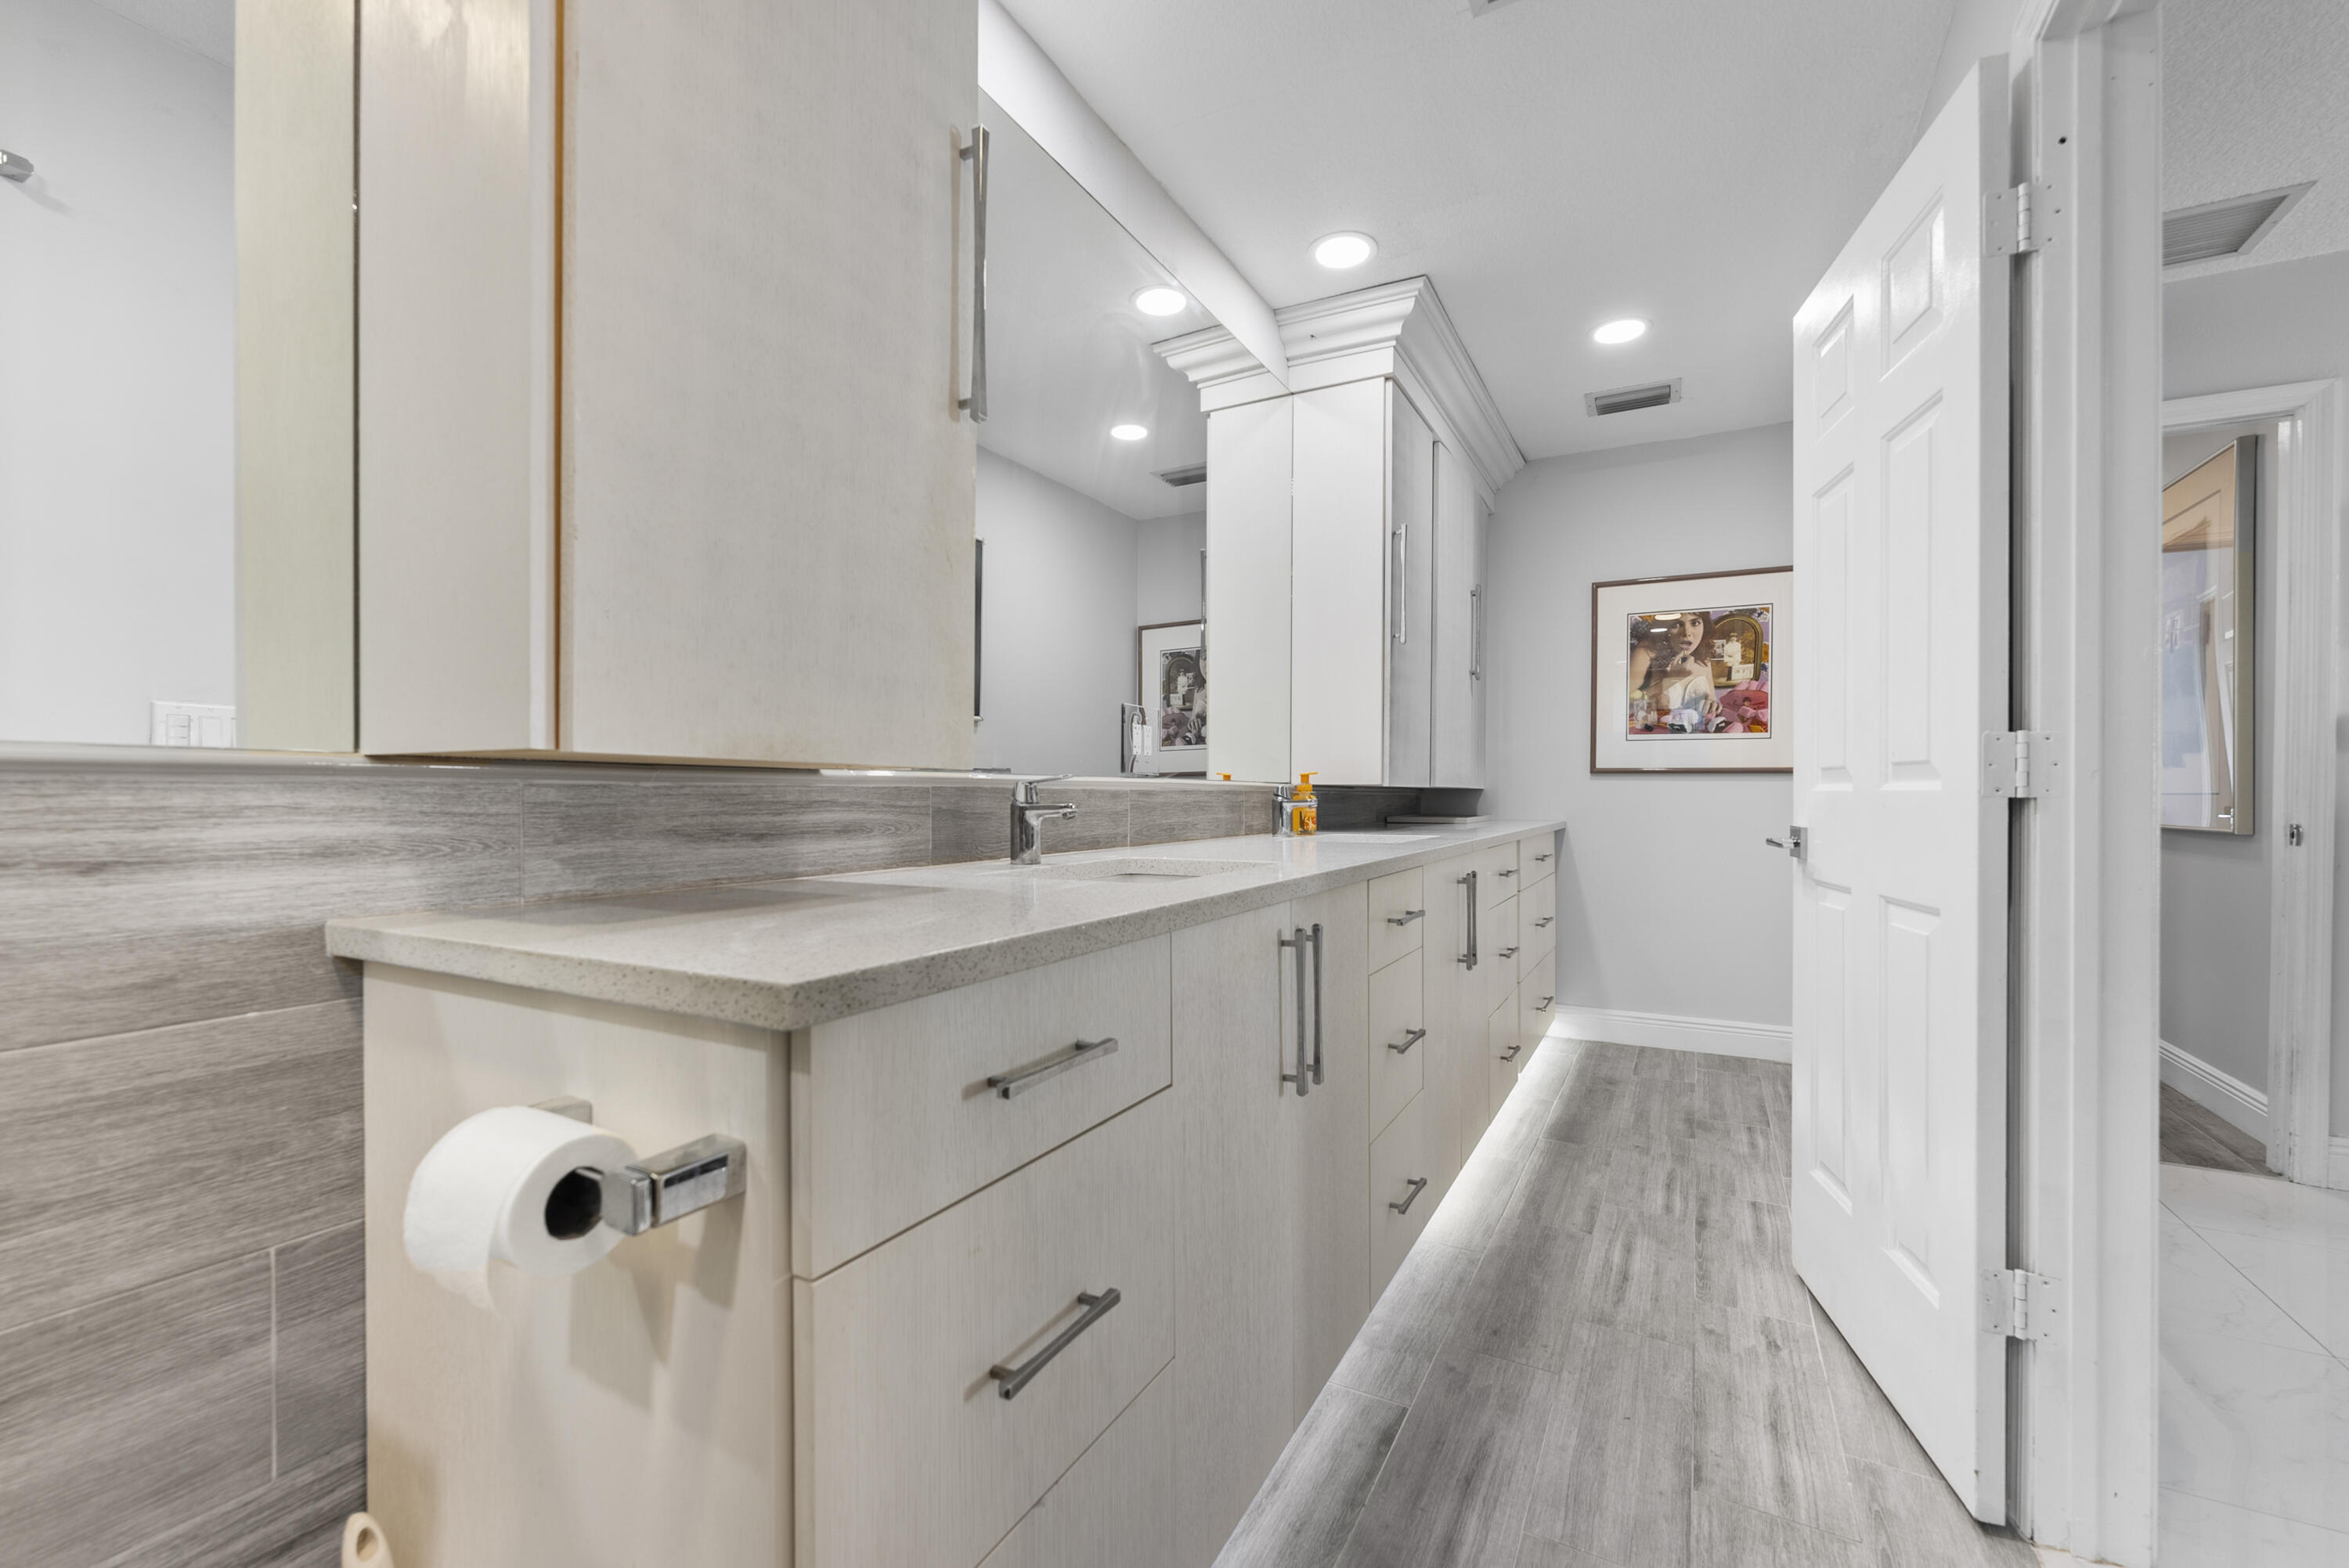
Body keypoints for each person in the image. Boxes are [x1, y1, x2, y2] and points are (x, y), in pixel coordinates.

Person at [1627, 611, 1720, 731]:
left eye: (1695, 623)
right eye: (1676, 625)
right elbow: (1626, 704)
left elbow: (1711, 700)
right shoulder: (1647, 651)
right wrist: (1672, 679)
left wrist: (1713, 706)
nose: (1686, 633)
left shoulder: (1705, 657)